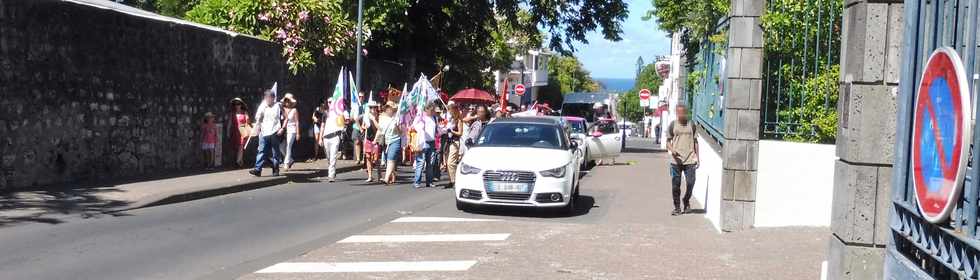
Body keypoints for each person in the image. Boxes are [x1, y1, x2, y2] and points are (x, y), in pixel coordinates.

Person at [666, 103, 699, 216]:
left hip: (690, 159)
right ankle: (677, 207)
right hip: (676, 161)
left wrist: (697, 157)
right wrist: (672, 150)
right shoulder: (672, 125)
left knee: (691, 182)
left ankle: (686, 200)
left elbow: (695, 142)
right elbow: (668, 142)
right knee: (676, 185)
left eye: (682, 112)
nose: (680, 114)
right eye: (678, 112)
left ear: (685, 112)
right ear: (676, 113)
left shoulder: (692, 125)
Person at [249, 90, 284, 177]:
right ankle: (258, 169)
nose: (267, 100)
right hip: (264, 131)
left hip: (275, 131)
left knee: (275, 152)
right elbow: (258, 119)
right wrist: (260, 117)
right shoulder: (263, 107)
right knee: (261, 151)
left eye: (269, 98)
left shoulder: (278, 105)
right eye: (266, 98)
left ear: (273, 98)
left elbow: (286, 117)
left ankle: (276, 169)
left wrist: (282, 128)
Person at [412, 102, 438, 188]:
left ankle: (429, 181)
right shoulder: (421, 117)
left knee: (430, 163)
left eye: (433, 110)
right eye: (432, 110)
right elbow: (414, 126)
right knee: (420, 162)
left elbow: (436, 129)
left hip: (432, 142)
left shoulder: (434, 117)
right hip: (423, 142)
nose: (433, 111)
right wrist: (420, 127)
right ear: (427, 109)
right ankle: (417, 181)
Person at [319, 98, 344, 182]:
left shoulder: (338, 114)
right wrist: (320, 138)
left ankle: (331, 175)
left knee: (333, 156)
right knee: (329, 157)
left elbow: (342, 124)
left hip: (335, 137)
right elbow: (322, 126)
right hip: (326, 138)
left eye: (332, 102)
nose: (330, 103)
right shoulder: (325, 114)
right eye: (329, 102)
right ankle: (332, 169)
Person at [379, 102, 402, 184]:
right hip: (386, 141)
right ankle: (393, 175)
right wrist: (376, 140)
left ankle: (386, 178)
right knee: (387, 160)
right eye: (387, 108)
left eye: (390, 108)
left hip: (395, 140)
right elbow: (380, 130)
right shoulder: (382, 118)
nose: (389, 110)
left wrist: (396, 126)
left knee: (390, 159)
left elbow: (400, 133)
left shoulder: (397, 118)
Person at [444, 102, 464, 187]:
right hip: (448, 141)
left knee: (450, 162)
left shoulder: (459, 120)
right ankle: (451, 180)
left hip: (454, 142)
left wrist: (452, 131)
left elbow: (460, 133)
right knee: (446, 163)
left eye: (450, 110)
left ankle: (455, 180)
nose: (449, 112)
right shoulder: (450, 119)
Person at [227, 98, 251, 167]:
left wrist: (247, 119)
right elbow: (229, 123)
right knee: (236, 147)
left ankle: (238, 161)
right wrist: (228, 132)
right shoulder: (232, 114)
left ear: (241, 105)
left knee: (241, 146)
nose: (237, 105)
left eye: (238, 104)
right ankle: (241, 162)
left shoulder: (244, 112)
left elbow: (248, 122)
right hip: (235, 132)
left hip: (242, 131)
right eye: (236, 104)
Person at [362, 101, 381, 182]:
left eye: (373, 107)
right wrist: (364, 127)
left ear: (376, 108)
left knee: (376, 159)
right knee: (368, 157)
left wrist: (373, 119)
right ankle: (370, 176)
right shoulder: (366, 117)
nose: (372, 109)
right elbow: (363, 126)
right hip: (368, 139)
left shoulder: (378, 117)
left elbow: (379, 128)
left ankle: (379, 174)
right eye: (370, 107)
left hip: (376, 139)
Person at [281, 93, 300, 170]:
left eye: (288, 101)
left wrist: (298, 133)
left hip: (292, 129)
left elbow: (297, 122)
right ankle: (290, 160)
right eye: (286, 101)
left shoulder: (294, 110)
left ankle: (286, 163)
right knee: (281, 147)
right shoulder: (282, 109)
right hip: (284, 130)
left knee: (288, 145)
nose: (287, 102)